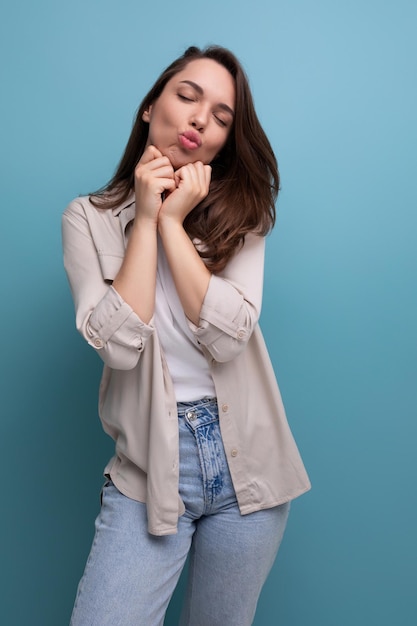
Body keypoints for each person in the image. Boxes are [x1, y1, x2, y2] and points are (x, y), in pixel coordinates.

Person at [62, 44, 311, 626]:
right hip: (149, 468)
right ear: (150, 108)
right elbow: (119, 346)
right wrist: (145, 217)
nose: (201, 119)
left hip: (248, 466)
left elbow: (228, 337)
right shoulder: (88, 218)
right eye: (187, 96)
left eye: (223, 117)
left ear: (225, 142)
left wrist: (173, 220)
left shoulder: (246, 212)